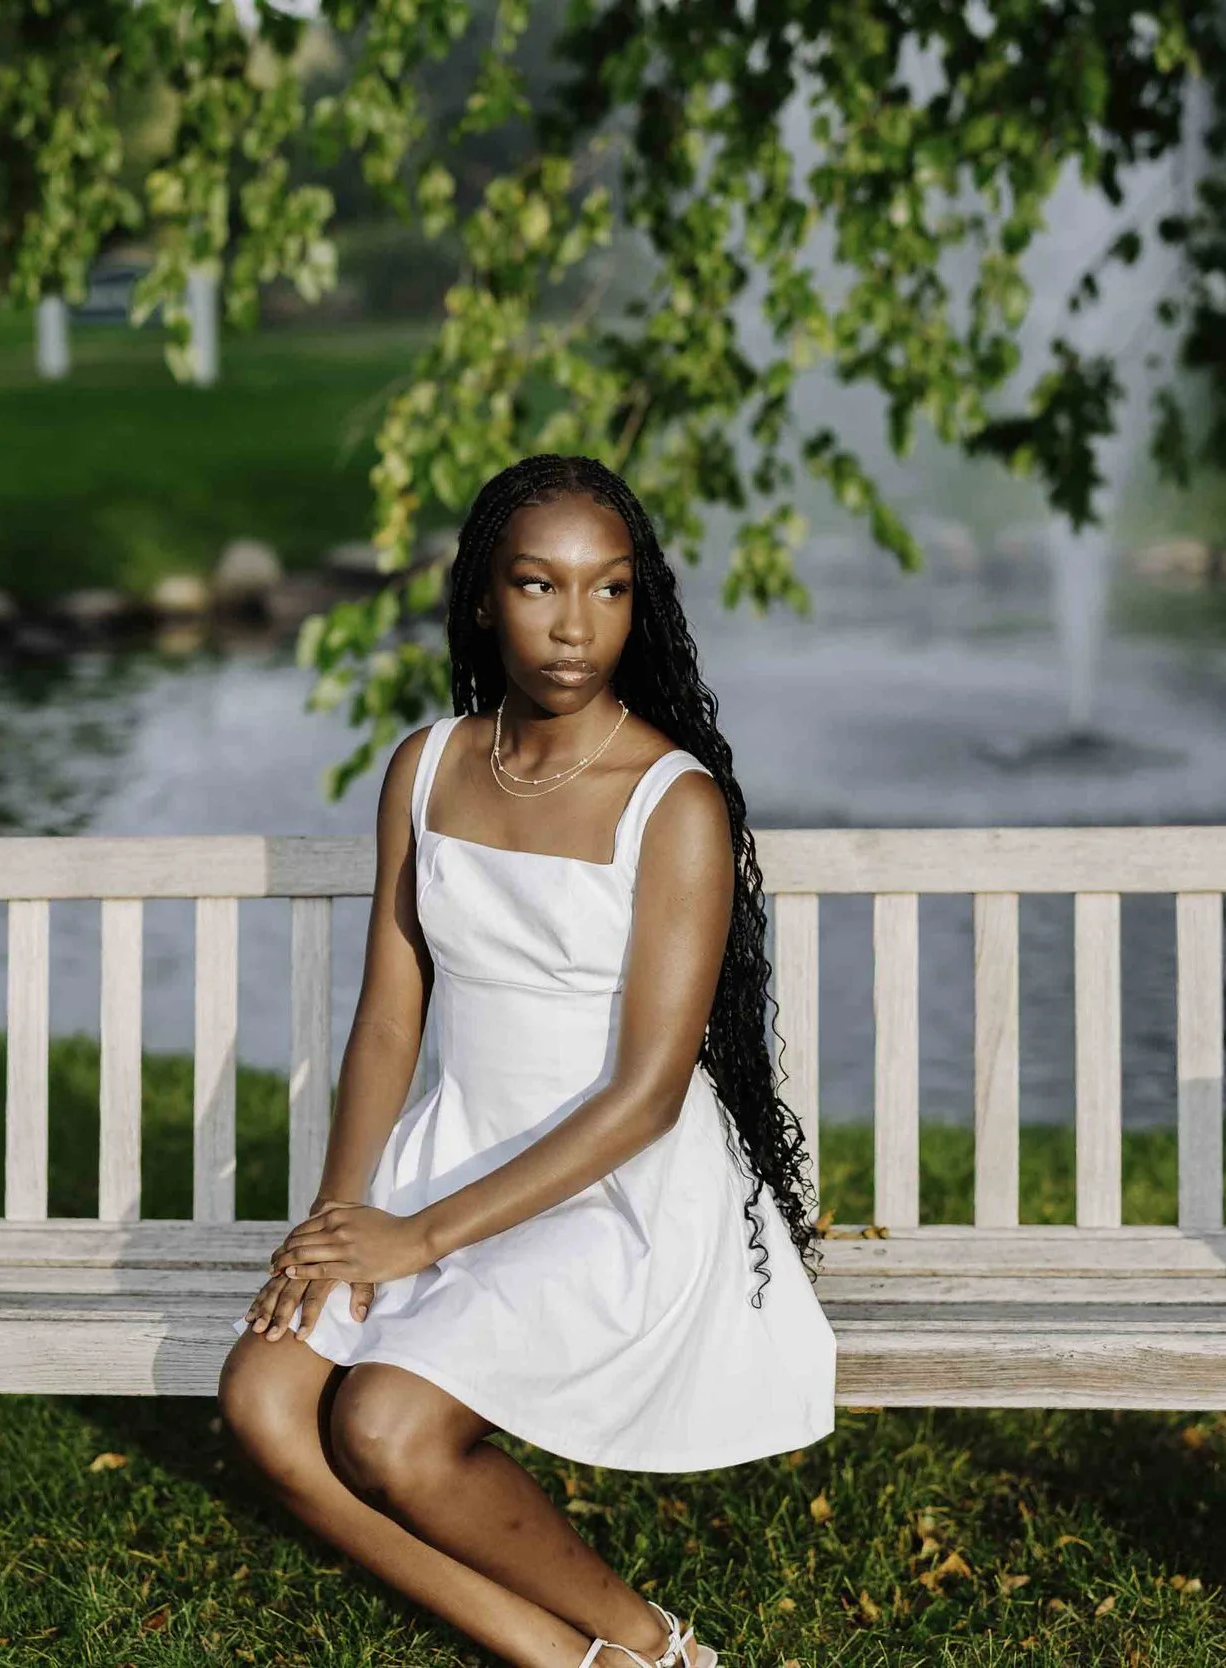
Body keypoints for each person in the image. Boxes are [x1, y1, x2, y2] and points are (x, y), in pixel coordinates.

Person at [215, 453, 836, 1667]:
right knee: (267, 1408)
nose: (572, 626)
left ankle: (645, 1644)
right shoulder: (428, 766)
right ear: (483, 598)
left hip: (613, 1187)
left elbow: (648, 1096)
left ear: (637, 601)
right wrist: (346, 1216)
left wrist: (419, 1240)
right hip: (445, 1154)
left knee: (384, 1426)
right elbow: (392, 1017)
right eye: (538, 586)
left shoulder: (675, 803)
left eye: (607, 591)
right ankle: (557, 1657)